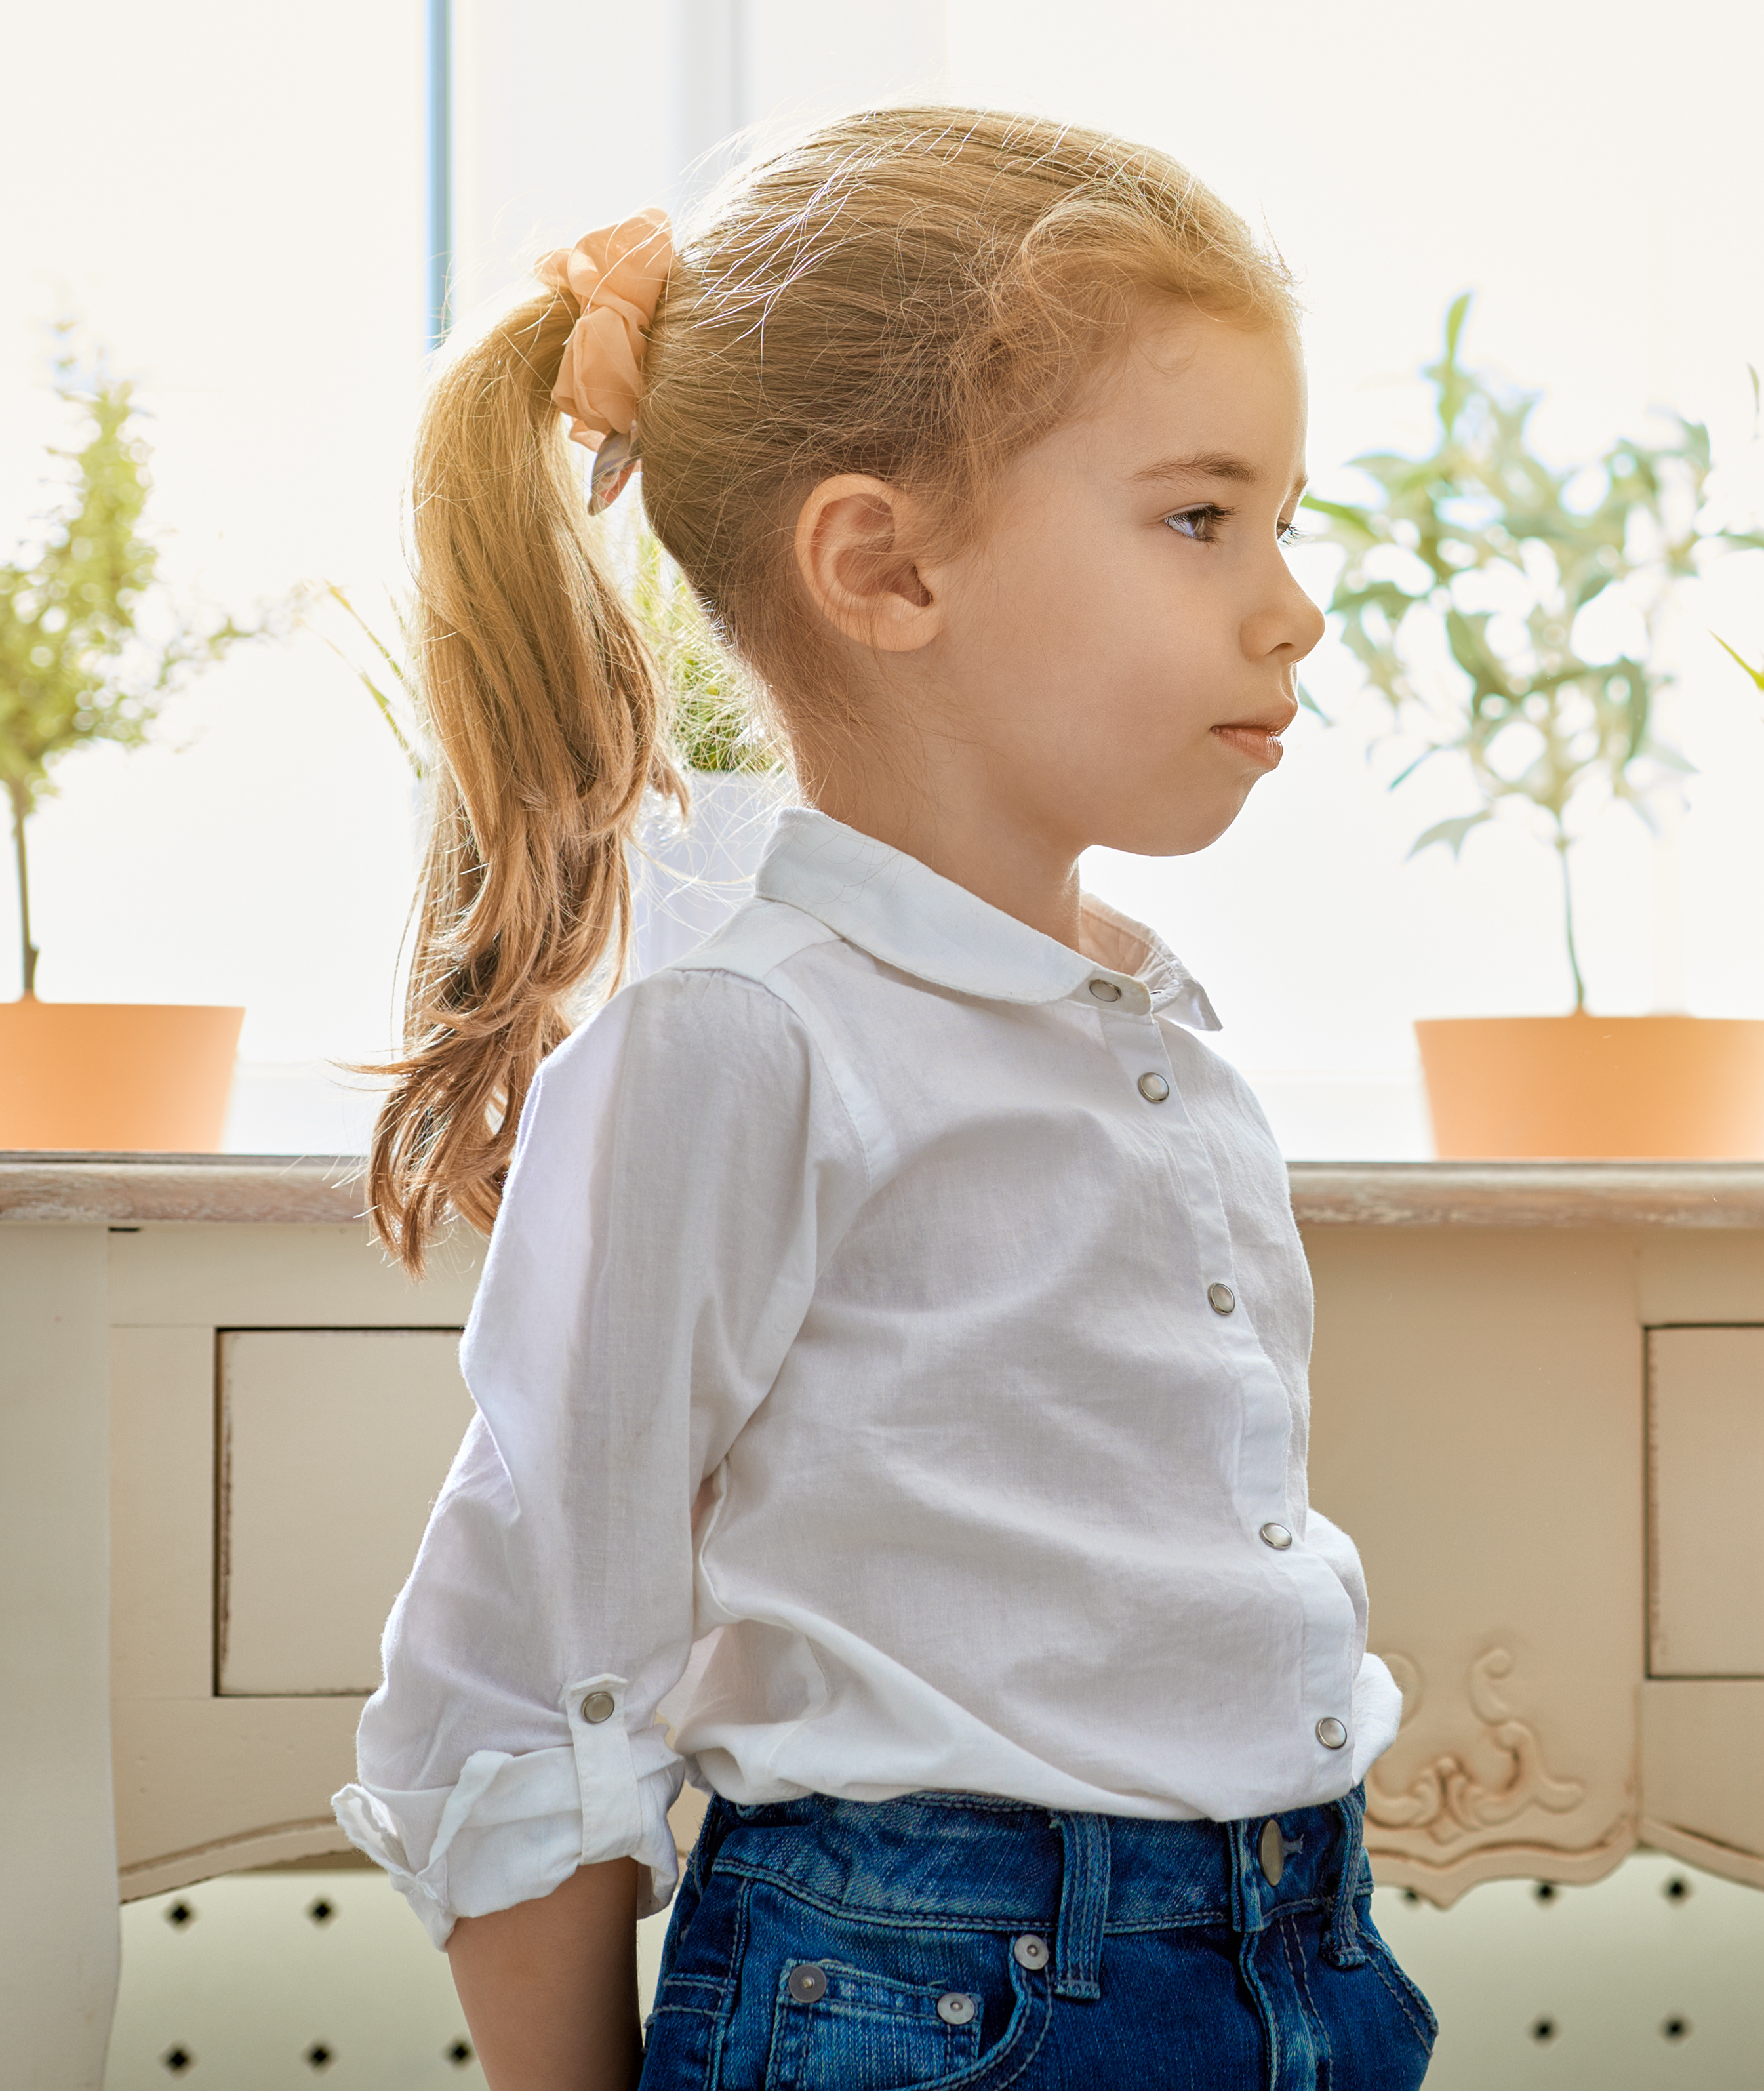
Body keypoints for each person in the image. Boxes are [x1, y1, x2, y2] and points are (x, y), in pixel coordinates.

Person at [333, 108, 1432, 2091]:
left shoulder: (1153, 1034)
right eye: (1202, 518)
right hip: (946, 2002)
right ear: (885, 564)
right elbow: (517, 1668)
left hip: (1291, 1965)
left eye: (1285, 520)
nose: (1292, 607)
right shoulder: (739, 1044)